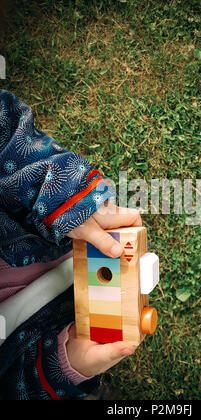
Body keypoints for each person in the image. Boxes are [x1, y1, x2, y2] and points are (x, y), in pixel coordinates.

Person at [0, 89, 140, 400]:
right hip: (49, 334)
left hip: (49, 234)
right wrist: (62, 366)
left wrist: (67, 200)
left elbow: (4, 130)